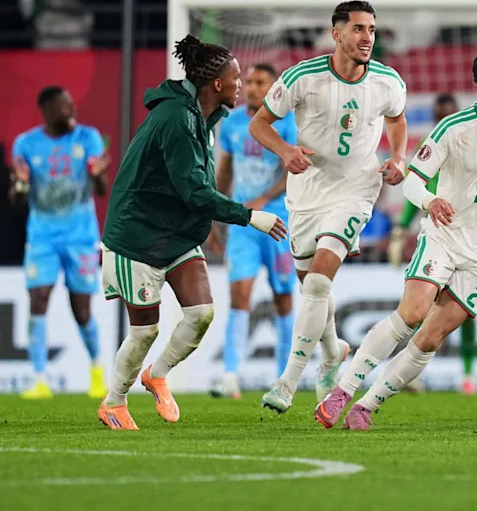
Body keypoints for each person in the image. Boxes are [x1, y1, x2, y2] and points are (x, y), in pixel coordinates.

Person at [314, 46, 477, 430]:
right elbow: (412, 182)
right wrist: (431, 200)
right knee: (411, 314)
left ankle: (367, 406)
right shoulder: (454, 128)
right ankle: (343, 390)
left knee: (431, 337)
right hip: (445, 236)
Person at [97, 35, 287, 431]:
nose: (241, 86)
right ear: (217, 85)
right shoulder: (176, 120)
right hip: (138, 237)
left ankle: (157, 374)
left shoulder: (205, 118)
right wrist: (250, 217)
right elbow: (197, 192)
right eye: (237, 79)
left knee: (201, 314)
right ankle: (114, 401)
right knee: (145, 330)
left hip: (178, 234)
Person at [251, 0, 408, 414]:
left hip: (357, 188)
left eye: (371, 29)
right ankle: (333, 350)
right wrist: (285, 151)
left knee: (318, 283)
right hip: (306, 193)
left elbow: (397, 118)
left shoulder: (388, 81)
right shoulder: (303, 77)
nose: (367, 37)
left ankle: (287, 381)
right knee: (312, 287)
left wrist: (399, 157)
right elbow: (259, 123)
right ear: (336, 34)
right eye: (358, 29)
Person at [10, 86, 109, 400]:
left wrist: (97, 174)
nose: (71, 110)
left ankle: (96, 370)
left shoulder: (87, 137)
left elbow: (101, 188)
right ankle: (39, 378)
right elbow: (15, 199)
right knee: (38, 299)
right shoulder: (26, 144)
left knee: (81, 310)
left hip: (81, 237)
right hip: (42, 237)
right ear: (47, 111)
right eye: (64, 106)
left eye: (71, 104)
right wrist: (22, 185)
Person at [208, 63, 298, 399]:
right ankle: (231, 375)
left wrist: (264, 198)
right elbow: (226, 171)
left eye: (260, 82)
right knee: (239, 295)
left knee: (283, 298)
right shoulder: (231, 123)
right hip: (243, 224)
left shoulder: (287, 121)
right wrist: (214, 217)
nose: (251, 87)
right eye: (248, 81)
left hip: (278, 222)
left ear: (274, 87)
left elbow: (293, 170)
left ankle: (282, 377)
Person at [388, 93, 477, 395]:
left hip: (469, 236)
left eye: (448, 113)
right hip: (436, 235)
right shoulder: (433, 146)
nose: (444, 119)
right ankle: (410, 372)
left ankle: (468, 374)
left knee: (463, 309)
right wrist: (401, 229)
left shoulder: (475, 143)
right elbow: (419, 189)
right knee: (421, 306)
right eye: (439, 114)